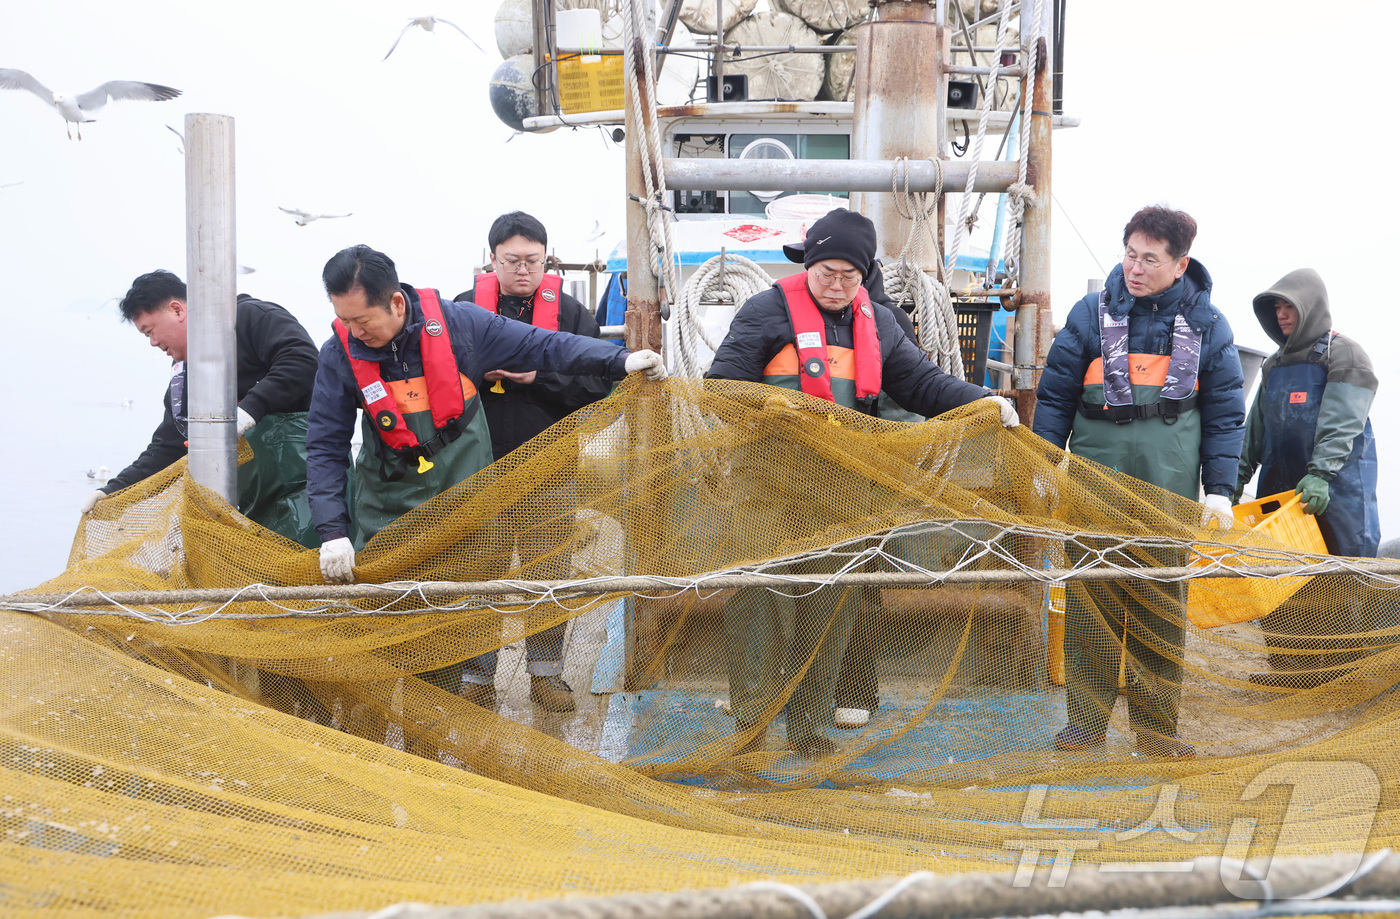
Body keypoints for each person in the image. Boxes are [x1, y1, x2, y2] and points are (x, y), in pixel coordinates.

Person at [705, 208, 1020, 757]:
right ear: (807, 264)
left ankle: (807, 727)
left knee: (831, 604)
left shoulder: (878, 319)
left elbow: (922, 384)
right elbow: (720, 388)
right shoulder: (764, 312)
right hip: (768, 483)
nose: (837, 286)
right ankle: (751, 726)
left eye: (850, 277)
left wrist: (984, 400)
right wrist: (778, 412)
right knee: (760, 601)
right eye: (827, 273)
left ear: (864, 275)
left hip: (845, 488)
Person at [305, 245, 664, 702]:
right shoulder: (340, 353)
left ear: (396, 303)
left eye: (362, 322)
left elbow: (545, 345)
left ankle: (443, 715)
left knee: (456, 620)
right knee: (393, 625)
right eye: (345, 321)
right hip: (389, 508)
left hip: (465, 504)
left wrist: (620, 361)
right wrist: (332, 530)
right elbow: (325, 445)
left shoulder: (461, 326)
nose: (354, 332)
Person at [1034, 205, 1245, 759]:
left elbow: (1226, 415)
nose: (1135, 267)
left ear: (1181, 265)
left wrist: (1221, 490)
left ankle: (1156, 729)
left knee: (1160, 605)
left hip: (1169, 486)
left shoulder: (1210, 326)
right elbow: (1054, 396)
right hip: (1095, 482)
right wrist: (1045, 462)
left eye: (1150, 259)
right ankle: (1084, 723)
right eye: (1130, 254)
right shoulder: (1088, 314)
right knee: (1092, 599)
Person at [448, 211, 614, 713]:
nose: (523, 270)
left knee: (549, 569)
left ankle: (548, 674)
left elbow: (596, 387)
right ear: (491, 259)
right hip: (479, 467)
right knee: (482, 571)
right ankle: (478, 676)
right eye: (512, 261)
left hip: (550, 465)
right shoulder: (459, 312)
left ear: (548, 259)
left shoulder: (570, 315)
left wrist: (535, 377)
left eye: (533, 261)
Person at [82, 270, 320, 547]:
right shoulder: (183, 380)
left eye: (150, 330)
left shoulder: (249, 317)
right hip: (250, 507)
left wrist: (249, 411)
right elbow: (167, 447)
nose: (153, 343)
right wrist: (113, 491)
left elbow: (302, 359)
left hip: (308, 489)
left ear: (177, 309)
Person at [1235, 269, 1380, 688]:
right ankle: (1288, 672)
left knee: (1340, 580)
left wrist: (1320, 474)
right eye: (1276, 308)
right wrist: (1229, 483)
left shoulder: (1344, 355)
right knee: (1278, 580)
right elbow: (1254, 432)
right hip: (1282, 493)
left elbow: (1341, 423)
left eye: (1289, 307)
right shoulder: (1274, 364)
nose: (1281, 315)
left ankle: (1343, 678)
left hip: (1337, 492)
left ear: (1311, 307)